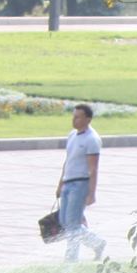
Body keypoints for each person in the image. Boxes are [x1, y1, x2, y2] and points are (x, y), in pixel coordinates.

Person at [55, 103, 105, 261]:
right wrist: (60, 184)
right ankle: (96, 242)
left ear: (88, 119)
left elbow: (93, 168)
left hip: (80, 184)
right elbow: (67, 160)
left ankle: (71, 258)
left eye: (78, 117)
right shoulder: (72, 136)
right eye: (73, 116)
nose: (74, 120)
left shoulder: (92, 139)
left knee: (73, 223)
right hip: (68, 183)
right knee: (65, 221)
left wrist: (91, 193)